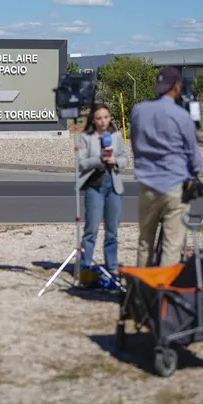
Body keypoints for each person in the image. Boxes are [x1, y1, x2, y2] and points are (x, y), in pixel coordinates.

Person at [128, 66, 202, 267]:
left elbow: (135, 144)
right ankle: (164, 290)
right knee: (172, 245)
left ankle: (142, 289)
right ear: (176, 86)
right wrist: (194, 171)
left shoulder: (138, 110)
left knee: (145, 242)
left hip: (147, 185)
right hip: (174, 186)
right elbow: (193, 155)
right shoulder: (181, 116)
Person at [77, 103, 128, 283]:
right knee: (91, 229)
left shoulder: (115, 136)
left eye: (105, 117)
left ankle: (112, 267)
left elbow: (124, 159)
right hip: (95, 186)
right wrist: (99, 160)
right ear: (93, 119)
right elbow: (81, 163)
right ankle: (85, 266)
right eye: (99, 118)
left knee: (112, 230)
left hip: (113, 185)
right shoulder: (85, 137)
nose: (103, 121)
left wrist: (115, 160)